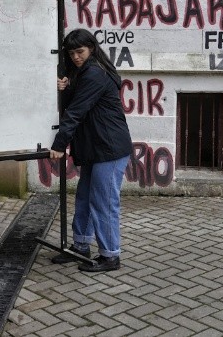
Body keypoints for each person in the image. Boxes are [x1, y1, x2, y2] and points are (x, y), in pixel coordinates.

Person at [49, 29, 132, 272]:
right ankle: (81, 246)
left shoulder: (94, 73)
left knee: (104, 202)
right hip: (95, 147)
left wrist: (58, 144)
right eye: (71, 53)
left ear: (92, 48)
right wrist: (65, 89)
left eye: (80, 51)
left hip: (110, 148)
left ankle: (110, 256)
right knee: (85, 198)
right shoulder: (83, 74)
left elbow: (76, 112)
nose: (75, 57)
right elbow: (72, 106)